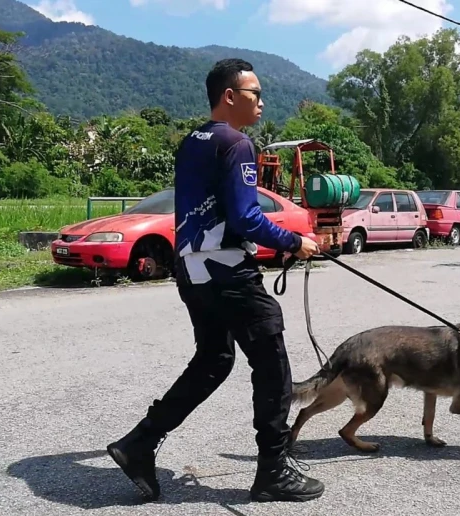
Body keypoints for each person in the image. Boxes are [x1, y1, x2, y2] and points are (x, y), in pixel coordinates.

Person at [106, 58, 325, 504]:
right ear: (230, 96)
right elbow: (246, 218)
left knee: (213, 360)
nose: (261, 102)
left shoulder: (192, 142)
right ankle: (272, 471)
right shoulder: (236, 142)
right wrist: (294, 241)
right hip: (228, 272)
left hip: (192, 271)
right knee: (272, 363)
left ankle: (139, 443)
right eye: (255, 94)